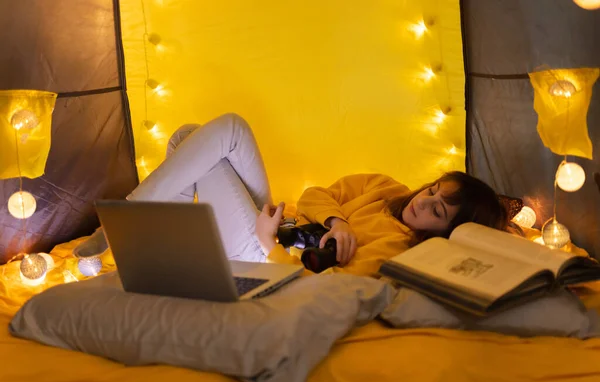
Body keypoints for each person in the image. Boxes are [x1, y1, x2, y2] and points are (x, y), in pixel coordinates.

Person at [74, 113, 508, 277]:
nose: (423, 201)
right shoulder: (387, 188)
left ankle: (122, 222)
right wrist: (337, 221)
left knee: (208, 143)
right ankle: (139, 228)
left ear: (448, 231)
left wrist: (269, 246)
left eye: (437, 209)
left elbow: (329, 286)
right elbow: (317, 192)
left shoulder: (403, 250)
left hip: (267, 256)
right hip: (280, 221)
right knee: (195, 136)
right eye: (432, 190)